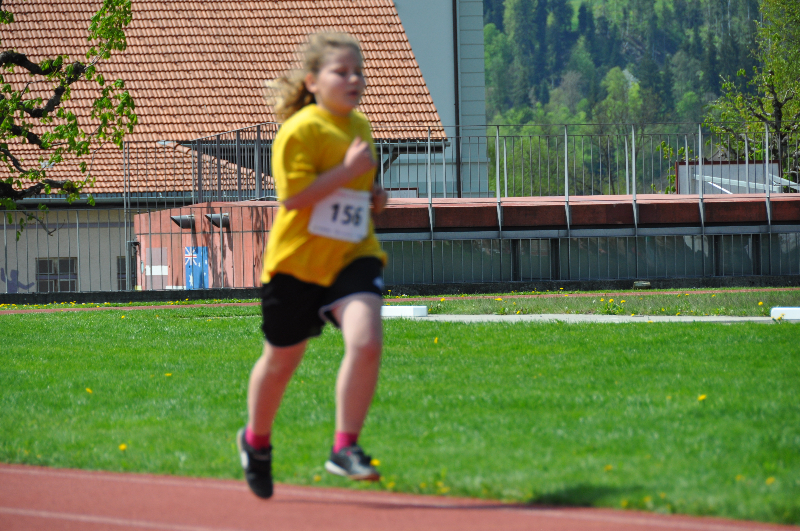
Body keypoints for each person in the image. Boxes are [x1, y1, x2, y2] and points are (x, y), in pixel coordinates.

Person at [237, 32, 388, 500]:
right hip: (297, 264)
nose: (354, 79)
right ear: (313, 81)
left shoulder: (360, 126)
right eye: (341, 72)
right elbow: (294, 199)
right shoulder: (299, 131)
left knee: (366, 341)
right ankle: (255, 442)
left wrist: (373, 196)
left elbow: (355, 191)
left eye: (358, 71)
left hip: (351, 255)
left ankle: (345, 447)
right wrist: (348, 172)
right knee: (282, 361)